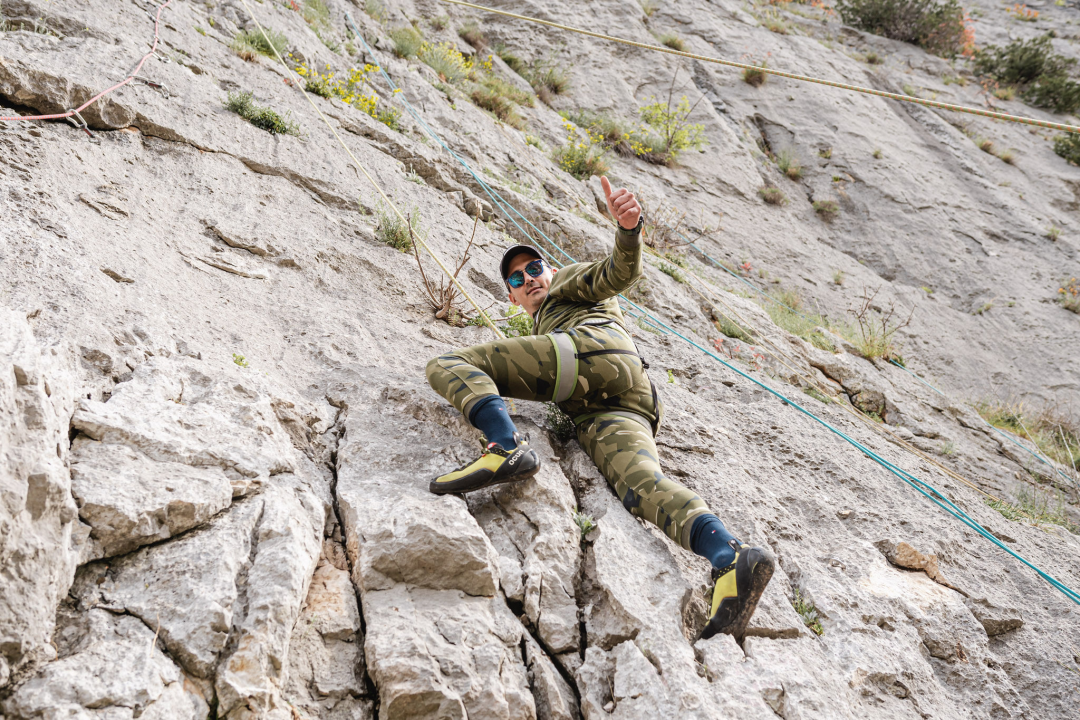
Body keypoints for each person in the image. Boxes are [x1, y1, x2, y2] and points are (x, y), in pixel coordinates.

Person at [425, 176, 773, 641]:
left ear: (548, 271)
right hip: (617, 403)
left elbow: (617, 272)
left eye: (534, 269)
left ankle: (503, 444)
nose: (529, 278)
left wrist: (628, 231)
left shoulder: (568, 284)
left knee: (448, 363)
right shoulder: (543, 314)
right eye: (516, 278)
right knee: (642, 486)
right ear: (510, 297)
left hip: (589, 353)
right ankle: (730, 557)